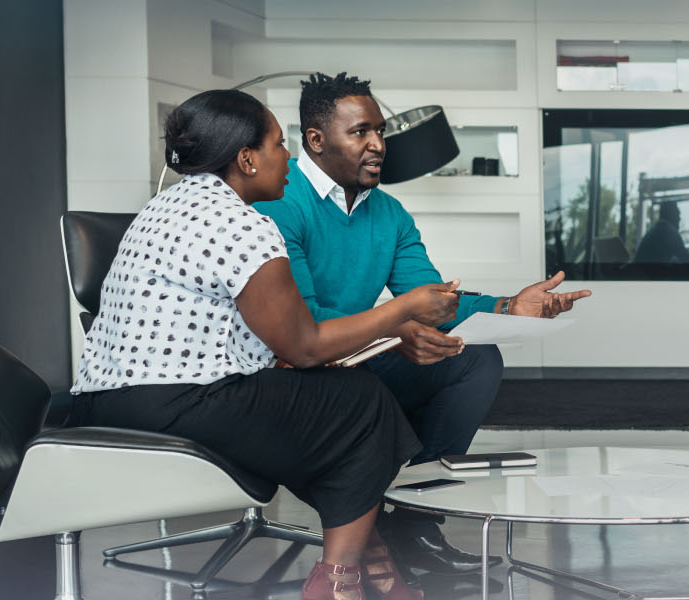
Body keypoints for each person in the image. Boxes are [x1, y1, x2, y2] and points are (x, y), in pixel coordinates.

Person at [67, 89, 455, 600]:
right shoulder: (243, 224)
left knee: (321, 402)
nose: (290, 157)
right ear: (247, 160)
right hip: (179, 403)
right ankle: (338, 583)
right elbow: (306, 345)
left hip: (102, 399)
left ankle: (373, 557)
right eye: (278, 144)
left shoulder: (163, 206)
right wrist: (399, 313)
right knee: (364, 403)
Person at [250, 72, 591, 577]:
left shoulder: (389, 213)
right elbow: (306, 323)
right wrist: (396, 330)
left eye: (380, 132)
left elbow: (434, 303)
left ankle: (412, 518)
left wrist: (507, 306)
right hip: (295, 368)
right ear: (316, 140)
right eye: (361, 132)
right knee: (387, 364)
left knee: (472, 357)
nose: (378, 145)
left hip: (359, 359)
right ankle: (374, 517)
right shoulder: (279, 202)